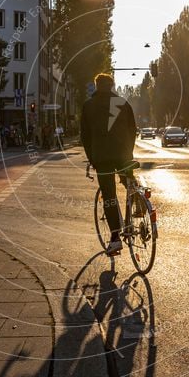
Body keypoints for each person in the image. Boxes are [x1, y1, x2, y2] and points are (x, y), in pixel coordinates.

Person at [81, 73, 137, 255]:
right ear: (112, 86)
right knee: (128, 181)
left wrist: (92, 159)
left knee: (109, 195)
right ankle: (138, 199)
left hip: (102, 158)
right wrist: (128, 151)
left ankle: (115, 239)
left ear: (97, 86)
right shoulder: (123, 103)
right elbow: (132, 129)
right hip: (123, 155)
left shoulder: (88, 106)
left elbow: (85, 136)